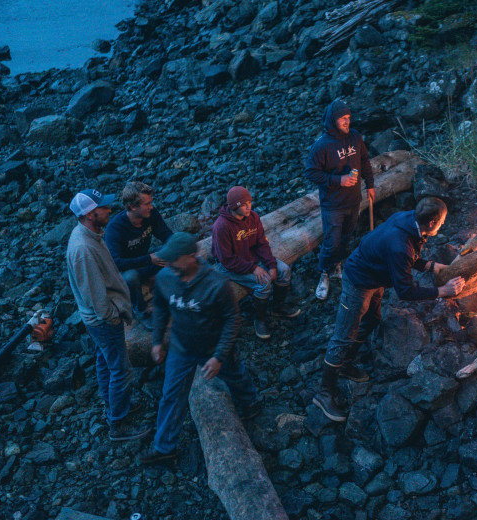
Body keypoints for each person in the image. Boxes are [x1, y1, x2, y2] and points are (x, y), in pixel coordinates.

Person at [312, 197, 465, 422]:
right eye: (441, 222)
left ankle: (345, 364)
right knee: (342, 337)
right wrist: (443, 291)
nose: (443, 225)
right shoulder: (399, 245)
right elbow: (405, 291)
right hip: (358, 282)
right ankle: (323, 394)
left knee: (372, 320)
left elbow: (408, 257)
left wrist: (433, 267)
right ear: (432, 223)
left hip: (375, 277)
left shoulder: (408, 220)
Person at [138, 233, 263, 465]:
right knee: (171, 396)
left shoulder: (217, 284)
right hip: (180, 348)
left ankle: (250, 401)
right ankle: (165, 447)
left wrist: (218, 357)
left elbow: (232, 321)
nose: (170, 264)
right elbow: (160, 309)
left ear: (191, 257)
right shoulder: (166, 277)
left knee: (235, 376)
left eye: (174, 259)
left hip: (213, 348)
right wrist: (157, 342)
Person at [66, 188, 150, 441]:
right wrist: (113, 316)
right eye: (103, 207)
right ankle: (119, 424)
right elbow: (93, 292)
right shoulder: (83, 248)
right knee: (121, 369)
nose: (110, 210)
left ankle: (113, 406)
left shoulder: (91, 234)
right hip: (103, 320)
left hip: (99, 319)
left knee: (104, 361)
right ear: (91, 214)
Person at [305, 99, 375, 301]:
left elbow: (364, 160)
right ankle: (324, 274)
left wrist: (370, 184)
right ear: (333, 120)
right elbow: (311, 172)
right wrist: (338, 180)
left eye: (349, 118)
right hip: (333, 205)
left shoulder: (355, 137)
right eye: (343, 119)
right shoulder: (322, 146)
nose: (347, 122)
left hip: (354, 200)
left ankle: (337, 266)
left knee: (346, 237)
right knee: (331, 242)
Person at [211, 186, 300, 340]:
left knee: (284, 270)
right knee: (263, 282)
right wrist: (253, 268)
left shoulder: (253, 217)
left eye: (249, 203)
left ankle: (277, 307)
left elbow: (261, 244)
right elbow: (226, 259)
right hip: (229, 266)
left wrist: (271, 264)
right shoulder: (222, 226)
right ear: (234, 207)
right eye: (243, 204)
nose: (248, 207)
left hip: (250, 257)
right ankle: (260, 319)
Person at [104, 181, 173, 330]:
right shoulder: (115, 228)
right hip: (125, 270)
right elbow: (116, 263)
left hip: (146, 260)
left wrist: (174, 247)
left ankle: (173, 291)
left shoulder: (151, 214)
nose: (152, 207)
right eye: (147, 204)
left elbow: (165, 234)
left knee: (171, 252)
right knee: (130, 277)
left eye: (151, 202)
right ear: (132, 207)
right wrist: (149, 259)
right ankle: (141, 310)